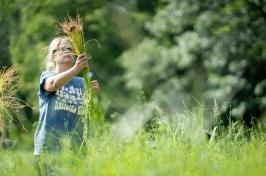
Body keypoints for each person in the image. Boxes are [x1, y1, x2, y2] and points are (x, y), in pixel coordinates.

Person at [34, 36, 100, 156]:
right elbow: (54, 84)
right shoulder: (47, 76)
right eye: (63, 48)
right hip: (49, 150)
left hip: (75, 150)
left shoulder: (82, 83)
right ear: (53, 55)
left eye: (70, 48)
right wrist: (76, 68)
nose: (68, 51)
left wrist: (92, 96)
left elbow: (85, 114)